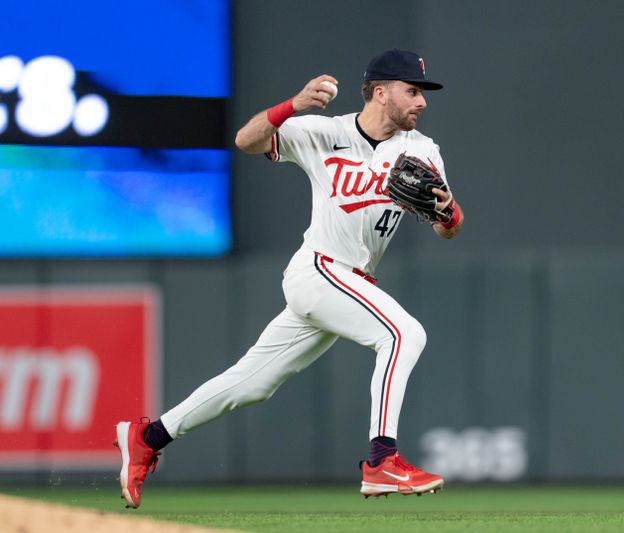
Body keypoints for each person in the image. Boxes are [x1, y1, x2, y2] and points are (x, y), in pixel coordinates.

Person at [114, 49, 464, 508]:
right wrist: (291, 107)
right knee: (404, 335)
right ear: (381, 92)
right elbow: (246, 140)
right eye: (413, 91)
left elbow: (448, 228)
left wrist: (446, 210)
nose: (422, 102)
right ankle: (383, 460)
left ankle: (149, 436)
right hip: (320, 269)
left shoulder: (422, 149)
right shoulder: (323, 132)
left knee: (252, 382)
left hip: (352, 283)